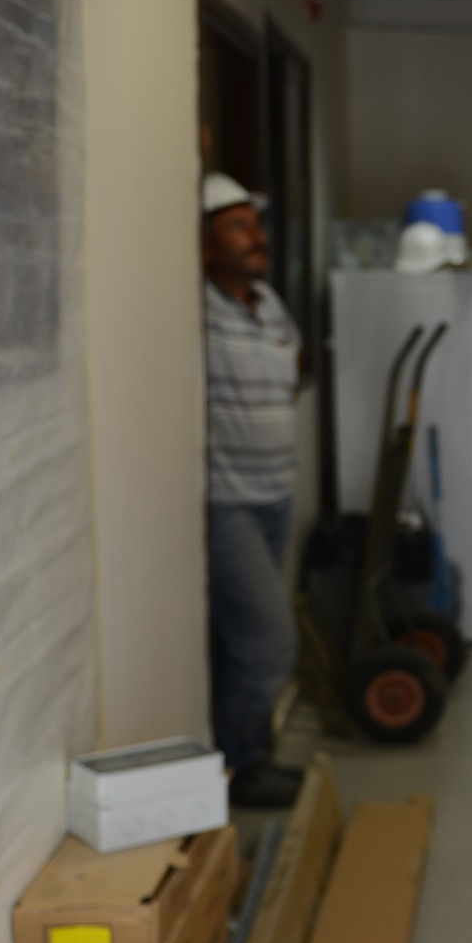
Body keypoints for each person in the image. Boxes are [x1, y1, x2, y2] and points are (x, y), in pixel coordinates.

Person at [201, 172, 306, 809]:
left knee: (241, 638)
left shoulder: (266, 302)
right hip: (228, 500)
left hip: (277, 493)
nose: (255, 237)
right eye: (237, 227)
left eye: (255, 225)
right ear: (207, 245)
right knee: (269, 639)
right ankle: (241, 765)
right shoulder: (195, 308)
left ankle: (244, 756)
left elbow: (288, 370)